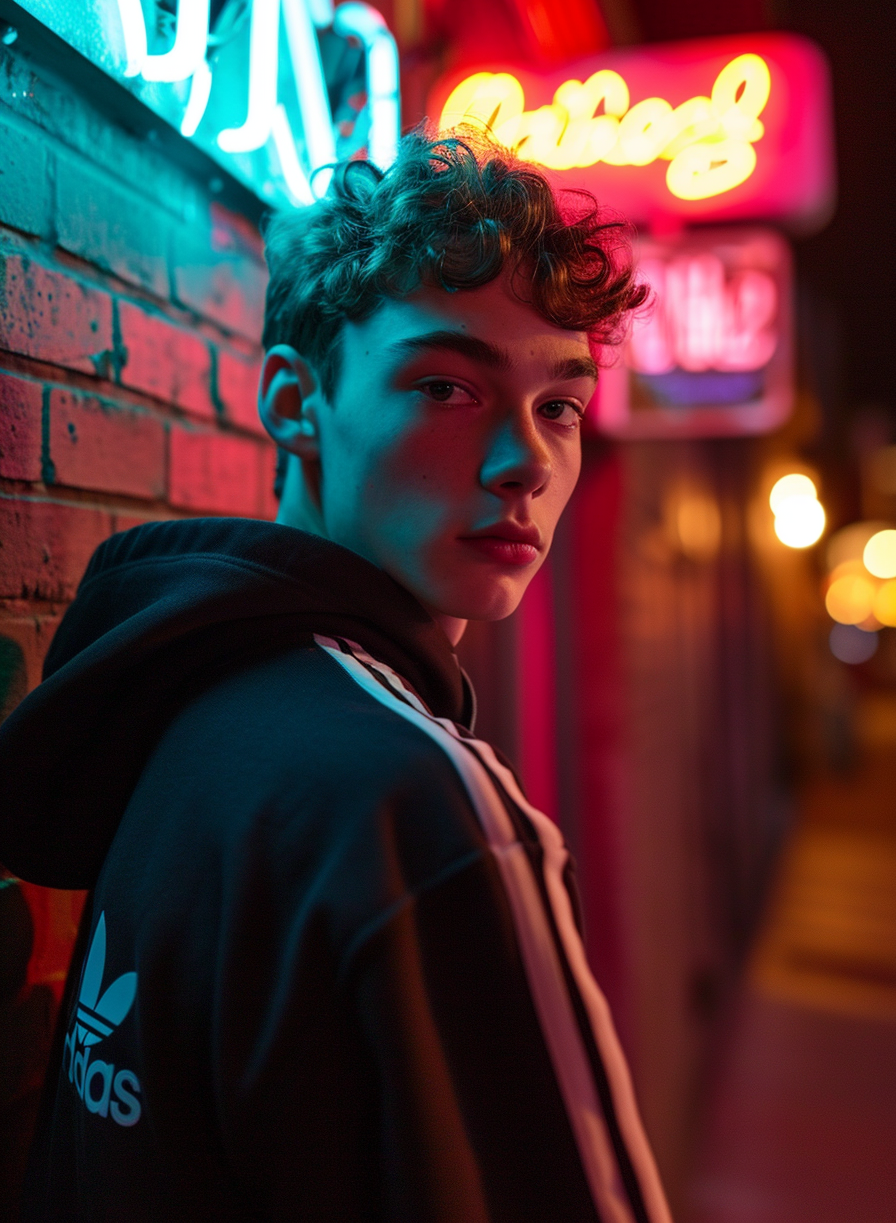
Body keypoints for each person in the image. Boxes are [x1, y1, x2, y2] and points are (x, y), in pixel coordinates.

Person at [0, 133, 670, 1222]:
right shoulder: (418, 807)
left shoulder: (185, 703)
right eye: (448, 386)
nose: (527, 462)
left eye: (558, 405)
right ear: (293, 401)